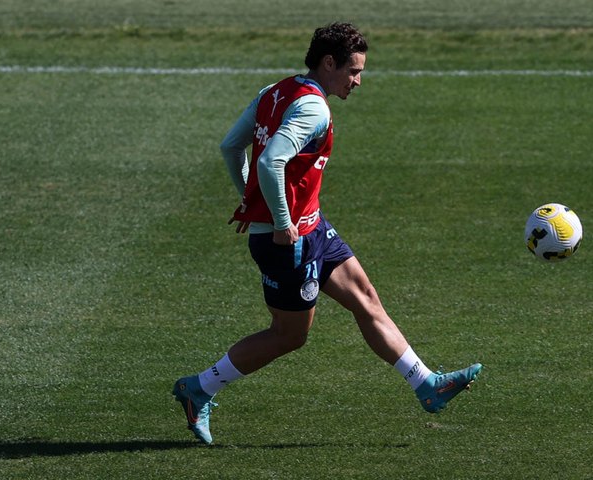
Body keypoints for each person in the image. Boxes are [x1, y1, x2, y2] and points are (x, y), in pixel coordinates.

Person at [173, 22, 482, 444]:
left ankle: (427, 384)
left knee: (365, 297)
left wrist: (255, 203)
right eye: (353, 71)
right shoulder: (313, 108)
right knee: (289, 335)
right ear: (328, 62)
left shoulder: (274, 92)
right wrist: (278, 221)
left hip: (313, 225)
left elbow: (231, 146)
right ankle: (199, 387)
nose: (358, 81)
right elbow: (269, 162)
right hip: (288, 241)